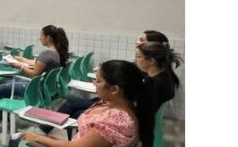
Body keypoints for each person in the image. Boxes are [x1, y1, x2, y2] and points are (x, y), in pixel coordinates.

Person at [0, 60, 155, 147]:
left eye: (98, 81)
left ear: (114, 89)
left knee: (20, 145)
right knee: (19, 144)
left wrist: (38, 138)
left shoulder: (118, 120)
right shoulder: (114, 105)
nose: (94, 84)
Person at [48, 29, 178, 126]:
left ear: (152, 58)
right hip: (122, 108)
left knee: (72, 106)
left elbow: (136, 107)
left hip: (123, 113)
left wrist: (106, 108)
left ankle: (44, 130)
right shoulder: (160, 76)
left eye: (142, 41)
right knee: (73, 104)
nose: (137, 42)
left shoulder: (155, 83)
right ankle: (47, 129)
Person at [0, 25, 69, 132]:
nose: (40, 38)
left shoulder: (46, 54)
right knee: (12, 82)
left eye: (41, 36)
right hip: (42, 88)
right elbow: (37, 63)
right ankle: (6, 116)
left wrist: (18, 65)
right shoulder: (56, 53)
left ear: (48, 38)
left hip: (35, 90)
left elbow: (34, 74)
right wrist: (22, 59)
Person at [135, 41, 183, 112]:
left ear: (151, 60)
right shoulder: (165, 75)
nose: (136, 60)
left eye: (138, 57)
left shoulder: (153, 84)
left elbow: (143, 111)